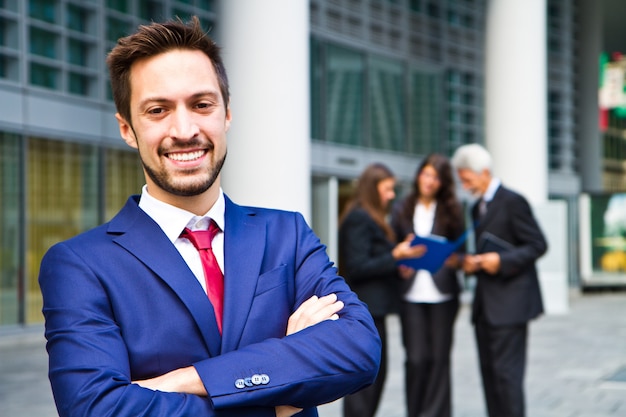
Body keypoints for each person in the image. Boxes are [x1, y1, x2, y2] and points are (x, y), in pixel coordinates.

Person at [38, 17, 381, 417]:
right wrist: (275, 395)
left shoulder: (286, 233)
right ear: (127, 129)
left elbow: (358, 348)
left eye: (201, 105)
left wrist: (181, 382)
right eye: (157, 110)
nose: (184, 130)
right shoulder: (80, 264)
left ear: (227, 114)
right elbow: (95, 409)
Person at [451, 143, 547, 417]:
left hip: (511, 305)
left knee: (507, 379)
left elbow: (537, 245)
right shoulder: (477, 207)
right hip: (486, 308)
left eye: (467, 179)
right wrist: (475, 263)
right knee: (491, 379)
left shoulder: (513, 201)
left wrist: (500, 261)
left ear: (483, 173)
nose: (465, 185)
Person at [338, 163, 426, 417]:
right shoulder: (359, 217)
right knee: (365, 380)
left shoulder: (370, 217)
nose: (391, 195)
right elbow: (358, 265)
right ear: (372, 188)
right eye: (387, 189)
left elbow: (374, 262)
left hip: (374, 310)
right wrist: (395, 254)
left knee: (375, 375)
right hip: (365, 311)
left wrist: (398, 263)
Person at [390, 154, 465, 417]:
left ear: (443, 182)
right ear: (418, 174)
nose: (429, 181)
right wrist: (400, 259)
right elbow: (392, 247)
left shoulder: (452, 210)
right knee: (417, 358)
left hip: (443, 292)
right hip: (410, 292)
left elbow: (461, 250)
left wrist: (452, 258)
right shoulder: (402, 207)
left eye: (436, 177)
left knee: (439, 359)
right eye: (426, 174)